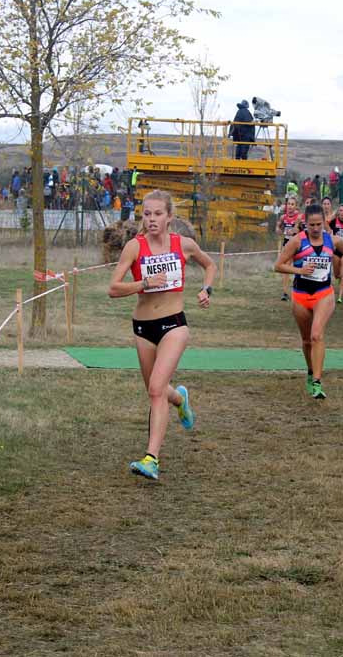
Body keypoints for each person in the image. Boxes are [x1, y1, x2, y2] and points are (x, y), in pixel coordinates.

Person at [107, 190, 217, 481]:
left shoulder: (184, 245)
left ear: (169, 217)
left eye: (158, 214)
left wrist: (206, 289)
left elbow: (210, 265)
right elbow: (113, 289)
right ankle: (179, 400)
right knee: (156, 390)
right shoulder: (134, 247)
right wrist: (142, 283)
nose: (152, 219)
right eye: (147, 214)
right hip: (143, 328)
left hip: (174, 325)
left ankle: (151, 459)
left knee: (156, 388)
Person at [274, 205, 343, 400]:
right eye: (312, 225)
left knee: (317, 335)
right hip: (300, 295)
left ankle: (317, 382)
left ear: (325, 222)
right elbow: (278, 265)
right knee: (307, 340)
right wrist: (299, 271)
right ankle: (310, 372)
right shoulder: (296, 241)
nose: (316, 228)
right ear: (305, 224)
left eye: (319, 224)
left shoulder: (333, 241)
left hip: (323, 294)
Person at [275, 196, 305, 301]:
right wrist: (279, 230)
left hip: (298, 244)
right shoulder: (283, 217)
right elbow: (278, 227)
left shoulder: (300, 217)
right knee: (285, 267)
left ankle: (299, 288)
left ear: (296, 206)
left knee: (298, 266)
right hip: (287, 244)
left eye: (292, 204)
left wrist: (296, 229)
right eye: (289, 204)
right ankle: (285, 292)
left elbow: (303, 230)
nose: (290, 206)